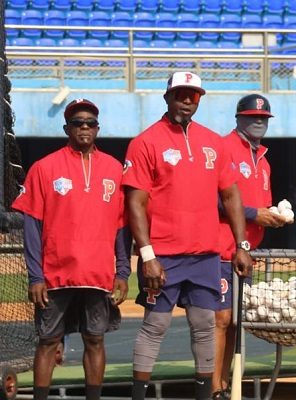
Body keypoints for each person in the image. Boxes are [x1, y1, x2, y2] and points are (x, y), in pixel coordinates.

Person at [122, 71, 253, 400]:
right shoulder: (145, 142)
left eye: (193, 95)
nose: (187, 100)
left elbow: (231, 196)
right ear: (167, 97)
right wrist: (147, 255)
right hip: (163, 255)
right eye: (181, 93)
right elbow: (135, 204)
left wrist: (241, 245)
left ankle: (204, 395)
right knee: (156, 326)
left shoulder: (214, 142)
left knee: (205, 325)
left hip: (206, 254)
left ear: (199, 99)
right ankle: (139, 395)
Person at [11, 99, 131, 400]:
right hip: (55, 273)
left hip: (98, 273)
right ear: (67, 128)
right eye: (78, 122)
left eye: (90, 122)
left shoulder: (114, 170)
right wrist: (36, 276)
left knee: (95, 339)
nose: (85, 127)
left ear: (98, 128)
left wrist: (123, 271)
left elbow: (121, 227)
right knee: (48, 341)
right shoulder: (44, 168)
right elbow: (32, 229)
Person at [212, 94, 289, 399]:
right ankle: (214, 387)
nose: (257, 121)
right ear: (238, 118)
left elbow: (254, 204)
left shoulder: (265, 160)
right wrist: (254, 213)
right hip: (222, 247)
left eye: (263, 118)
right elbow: (214, 200)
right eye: (250, 116)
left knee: (234, 323)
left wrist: (271, 216)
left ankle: (226, 385)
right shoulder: (223, 148)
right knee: (220, 320)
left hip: (248, 250)